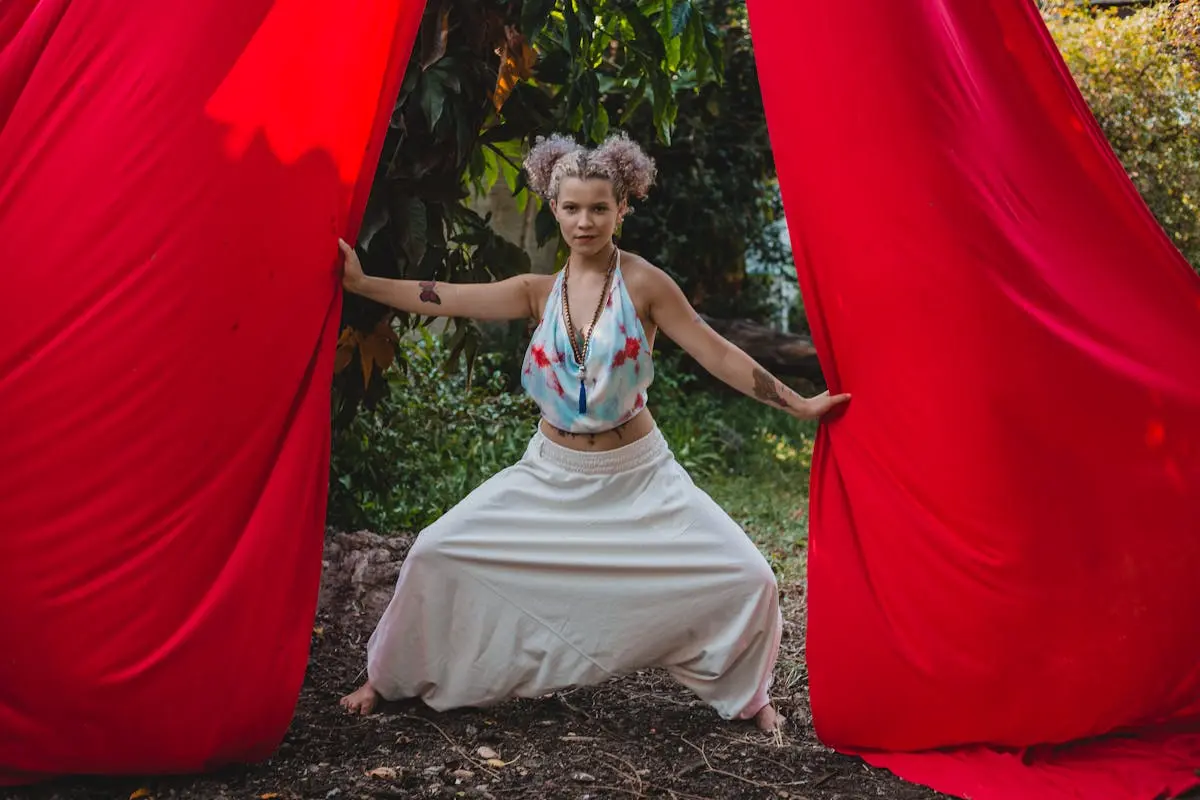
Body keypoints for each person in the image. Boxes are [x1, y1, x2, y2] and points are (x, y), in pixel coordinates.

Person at [335, 132, 850, 732]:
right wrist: (364, 284)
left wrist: (799, 405)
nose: (585, 221)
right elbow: (447, 297)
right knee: (434, 552)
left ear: (623, 206)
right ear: (553, 207)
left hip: (639, 477)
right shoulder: (536, 292)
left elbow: (719, 354)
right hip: (550, 474)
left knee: (750, 576)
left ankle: (749, 696)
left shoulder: (646, 285)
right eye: (572, 207)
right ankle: (386, 677)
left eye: (600, 207)